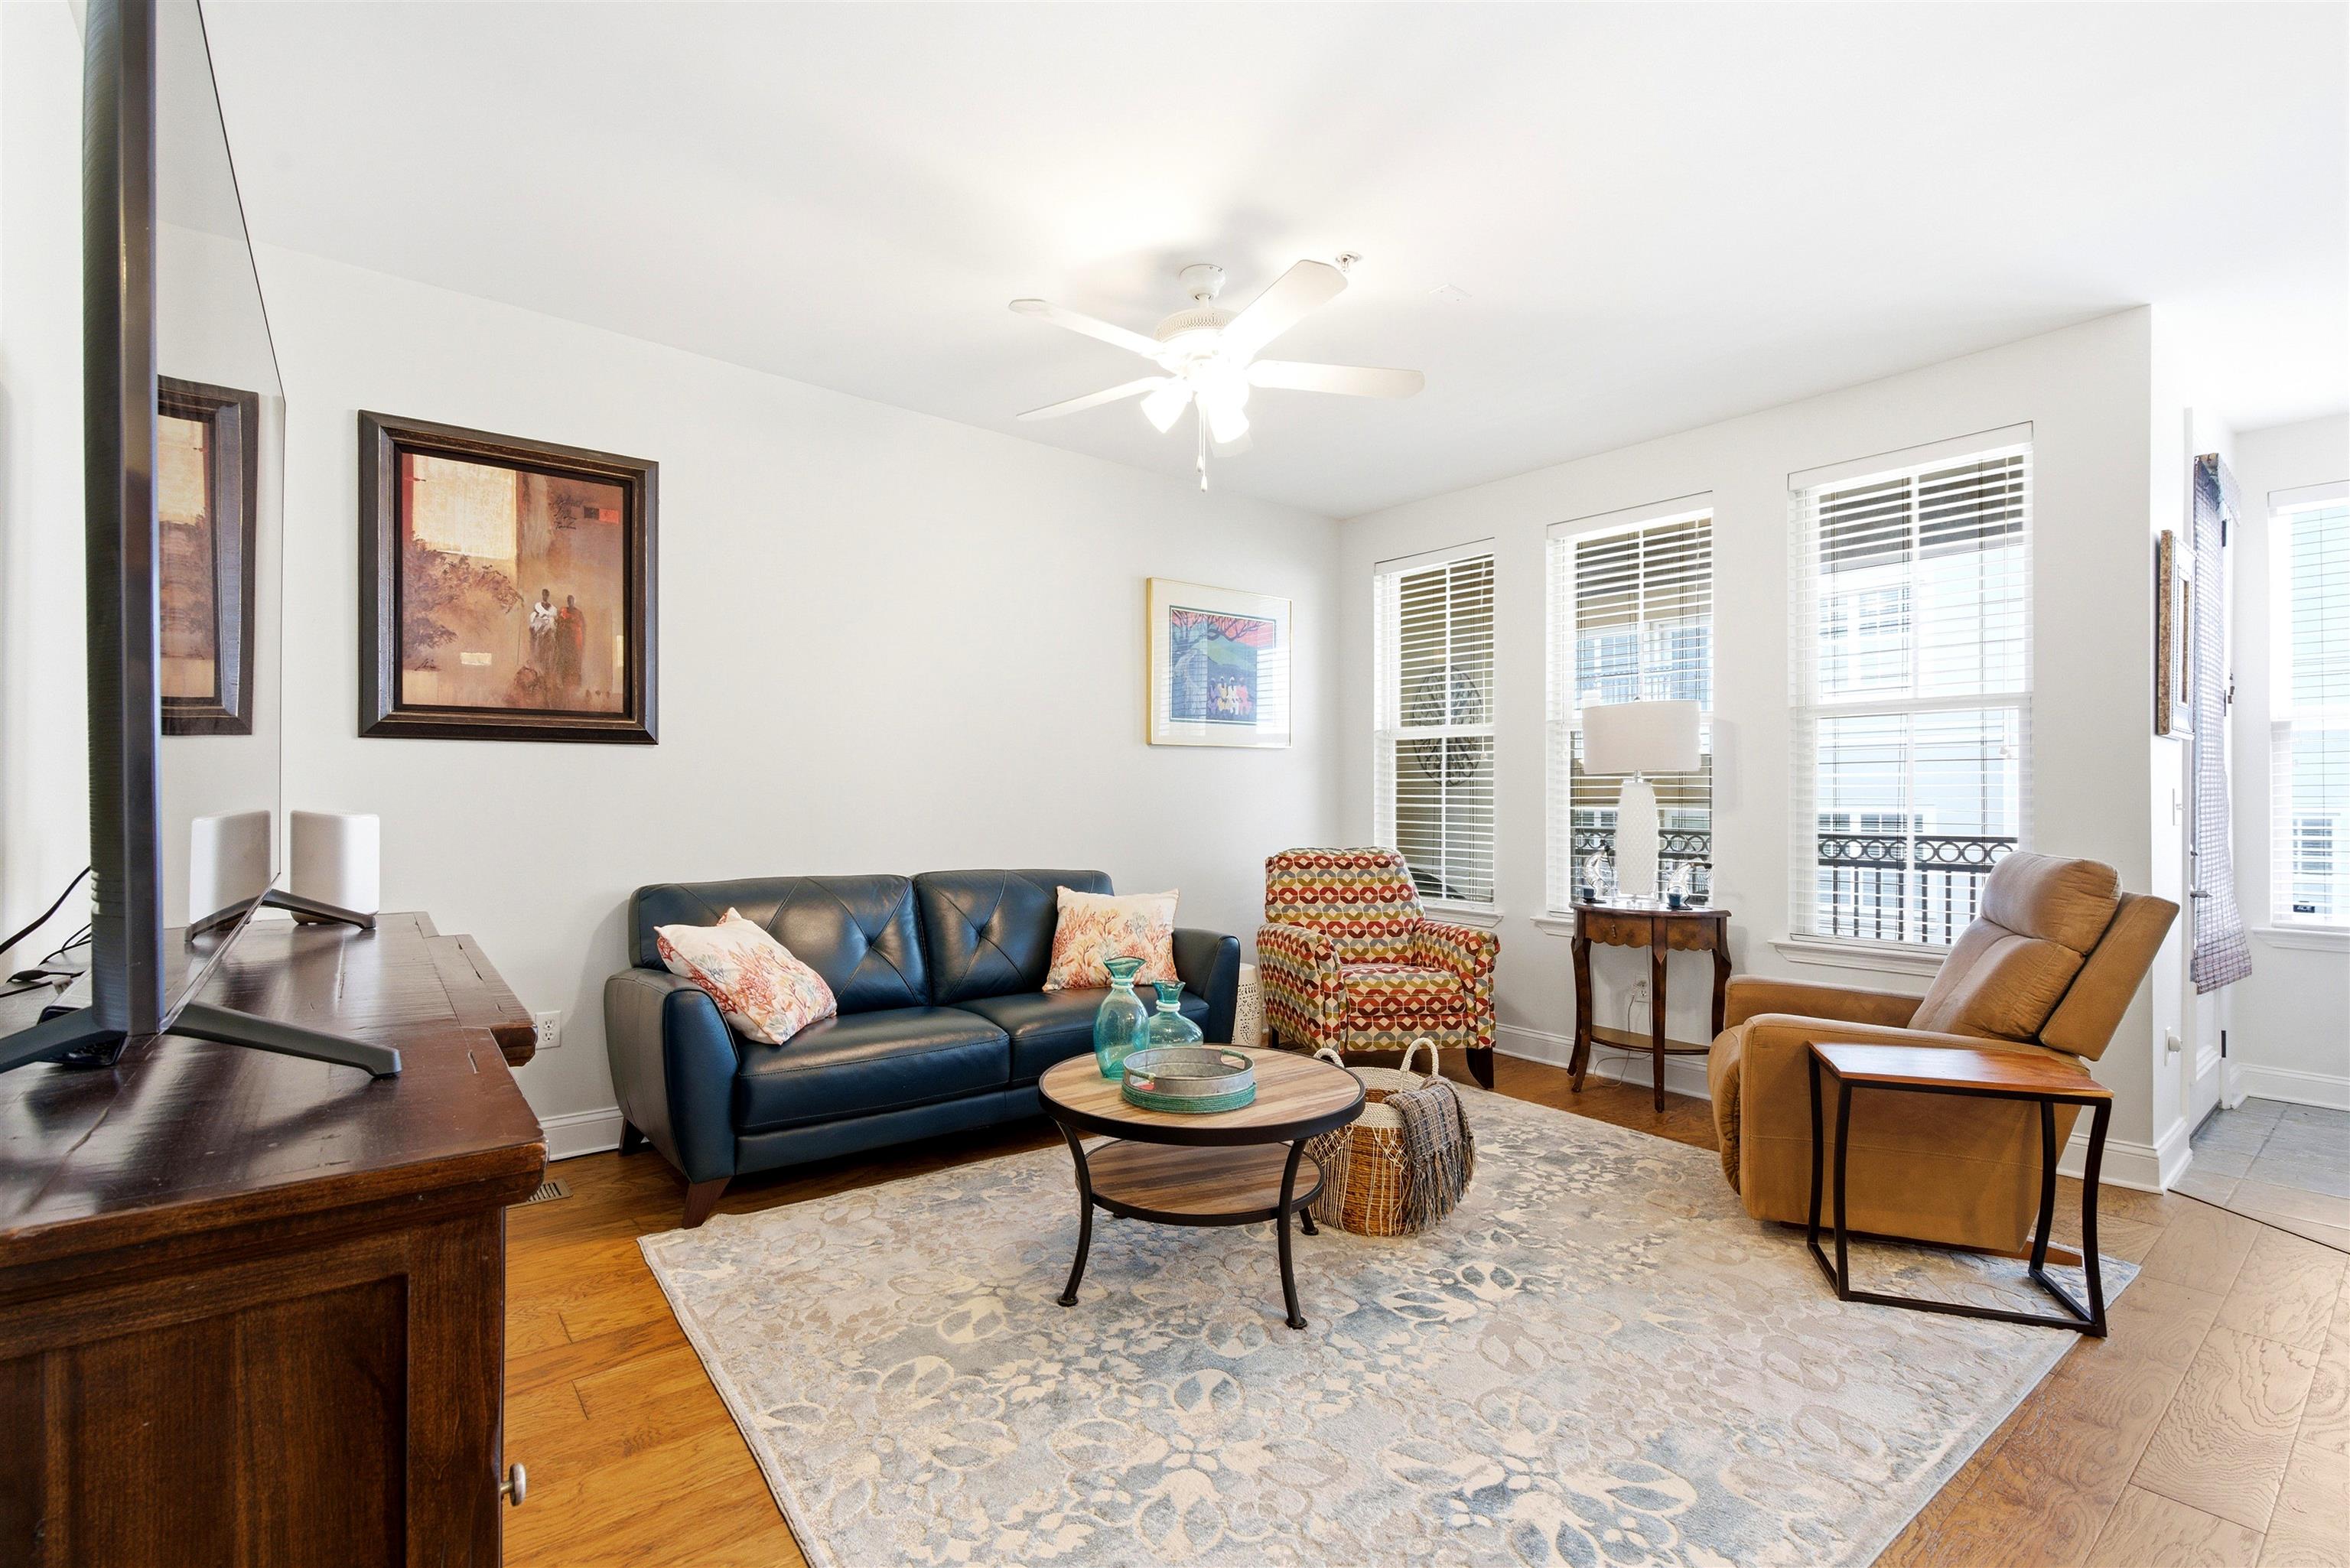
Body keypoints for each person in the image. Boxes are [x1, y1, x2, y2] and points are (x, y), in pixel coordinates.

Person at [554, 594, 585, 698]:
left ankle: (574, 686)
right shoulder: (563, 611)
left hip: (575, 643)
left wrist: (570, 622)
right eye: (568, 600)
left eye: (571, 600)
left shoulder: (578, 613)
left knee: (574, 662)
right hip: (564, 642)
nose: (570, 602)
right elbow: (559, 624)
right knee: (564, 661)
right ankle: (563, 683)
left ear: (574, 601)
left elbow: (581, 626)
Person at [527, 589, 556, 675]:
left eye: (546, 595)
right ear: (542, 595)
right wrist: (538, 620)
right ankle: (538, 670)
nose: (545, 596)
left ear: (548, 596)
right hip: (539, 630)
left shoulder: (552, 609)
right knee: (538, 650)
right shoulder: (538, 606)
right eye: (544, 595)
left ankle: (546, 670)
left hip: (548, 630)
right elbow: (533, 617)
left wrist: (549, 622)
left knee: (548, 651)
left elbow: (553, 620)